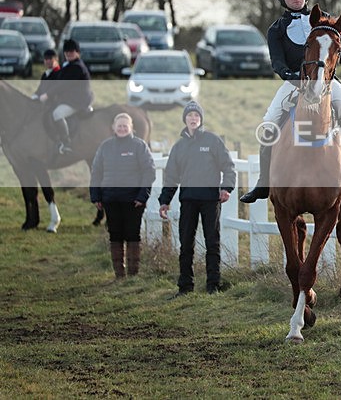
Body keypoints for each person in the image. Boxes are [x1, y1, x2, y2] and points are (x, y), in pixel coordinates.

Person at [239, 0, 341, 203]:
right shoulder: (275, 30)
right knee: (269, 121)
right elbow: (277, 62)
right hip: (294, 82)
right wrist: (294, 75)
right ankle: (263, 182)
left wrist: (331, 60)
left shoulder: (325, 19)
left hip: (326, 81)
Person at [158, 101, 236, 296]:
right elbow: (171, 176)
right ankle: (185, 286)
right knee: (186, 243)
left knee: (212, 242)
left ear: (200, 120)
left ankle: (213, 285)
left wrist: (226, 188)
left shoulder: (212, 141)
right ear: (185, 119)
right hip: (188, 199)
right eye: (190, 115)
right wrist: (164, 200)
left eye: (196, 116)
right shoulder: (179, 147)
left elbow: (228, 166)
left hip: (210, 199)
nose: (193, 119)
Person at [90, 113, 155, 279]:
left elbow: (149, 171)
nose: (122, 128)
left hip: (134, 200)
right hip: (111, 199)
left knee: (133, 234)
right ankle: (119, 274)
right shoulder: (105, 147)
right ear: (113, 127)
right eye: (119, 125)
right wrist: (96, 195)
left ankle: (133, 274)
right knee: (115, 234)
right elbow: (96, 171)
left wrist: (142, 196)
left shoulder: (139, 146)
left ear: (131, 127)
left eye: (125, 125)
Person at [38, 39, 93, 154]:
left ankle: (66, 143)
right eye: (66, 52)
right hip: (69, 99)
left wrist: (47, 95)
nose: (68, 54)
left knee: (57, 114)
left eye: (71, 52)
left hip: (78, 101)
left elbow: (63, 85)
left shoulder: (77, 67)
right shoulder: (67, 65)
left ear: (77, 53)